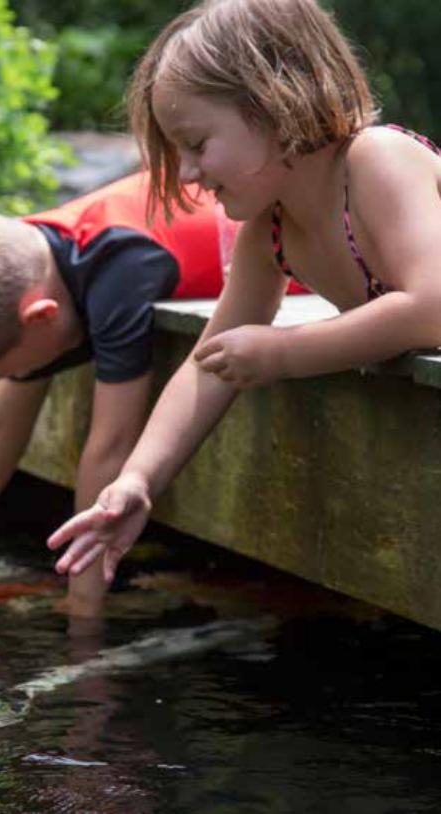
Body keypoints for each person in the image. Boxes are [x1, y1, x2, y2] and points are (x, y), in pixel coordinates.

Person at [47, 0, 441, 584]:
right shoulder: (270, 231)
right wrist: (137, 479)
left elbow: (434, 306)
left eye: (198, 144)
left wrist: (283, 352)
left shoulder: (376, 160)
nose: (185, 174)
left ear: (276, 104)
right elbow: (210, 365)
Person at [0, 170, 284, 617]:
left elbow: (111, 444)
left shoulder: (119, 269)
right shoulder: (25, 260)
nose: (21, 377)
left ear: (40, 315)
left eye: (16, 368)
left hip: (303, 253)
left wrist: (85, 601)